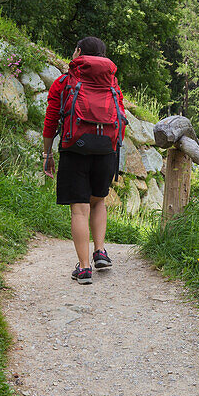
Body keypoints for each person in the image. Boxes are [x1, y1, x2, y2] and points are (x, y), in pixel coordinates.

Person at [42, 37, 126, 284]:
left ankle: (85, 267)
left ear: (78, 52)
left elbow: (50, 121)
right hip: (106, 149)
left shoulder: (64, 82)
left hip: (74, 148)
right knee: (98, 201)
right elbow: (120, 117)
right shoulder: (112, 83)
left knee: (79, 209)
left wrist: (47, 154)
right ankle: (100, 251)